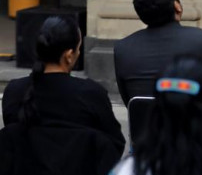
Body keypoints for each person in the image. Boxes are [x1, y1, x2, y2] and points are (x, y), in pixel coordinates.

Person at [1, 15, 125, 154]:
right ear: (69, 55)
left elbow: (11, 143)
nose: (79, 53)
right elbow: (114, 145)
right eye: (78, 48)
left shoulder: (14, 91)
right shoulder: (91, 94)